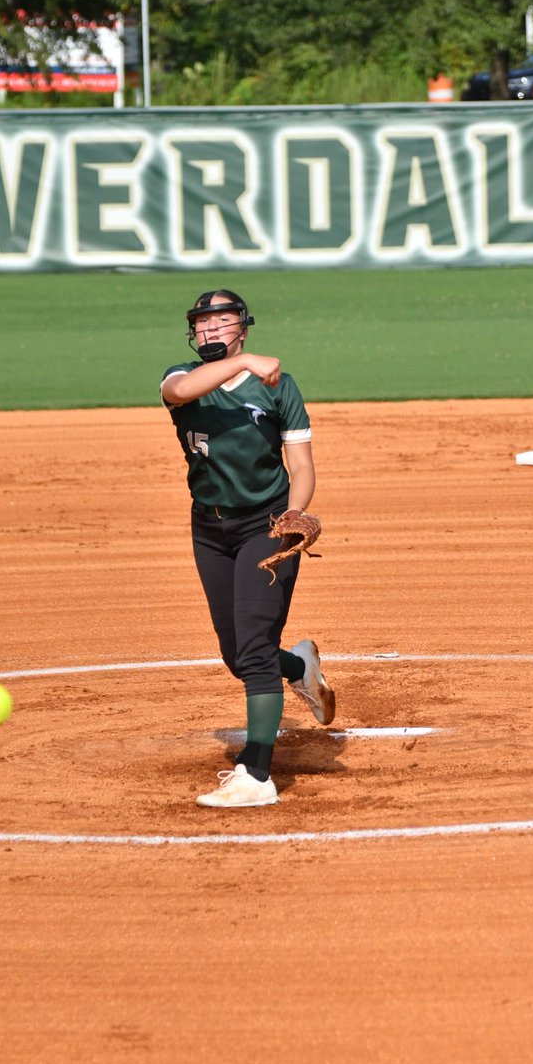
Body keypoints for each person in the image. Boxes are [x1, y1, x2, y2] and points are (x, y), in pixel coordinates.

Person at [160, 289, 335, 809]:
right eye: (203, 324)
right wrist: (249, 361)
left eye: (223, 322)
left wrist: (294, 513)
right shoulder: (178, 378)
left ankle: (257, 774)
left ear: (243, 326)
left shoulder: (279, 389)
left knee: (255, 649)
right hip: (209, 529)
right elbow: (183, 389)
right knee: (237, 654)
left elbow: (301, 466)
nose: (211, 331)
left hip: (267, 525)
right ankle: (300, 668)